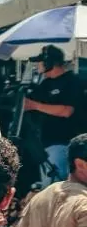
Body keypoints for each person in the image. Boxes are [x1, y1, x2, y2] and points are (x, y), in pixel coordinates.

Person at [26, 44, 83, 182]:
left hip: (64, 143)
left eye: (40, 62)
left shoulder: (72, 81)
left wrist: (34, 105)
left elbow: (66, 111)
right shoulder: (45, 84)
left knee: (56, 185)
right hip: (46, 145)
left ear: (49, 62)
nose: (38, 65)